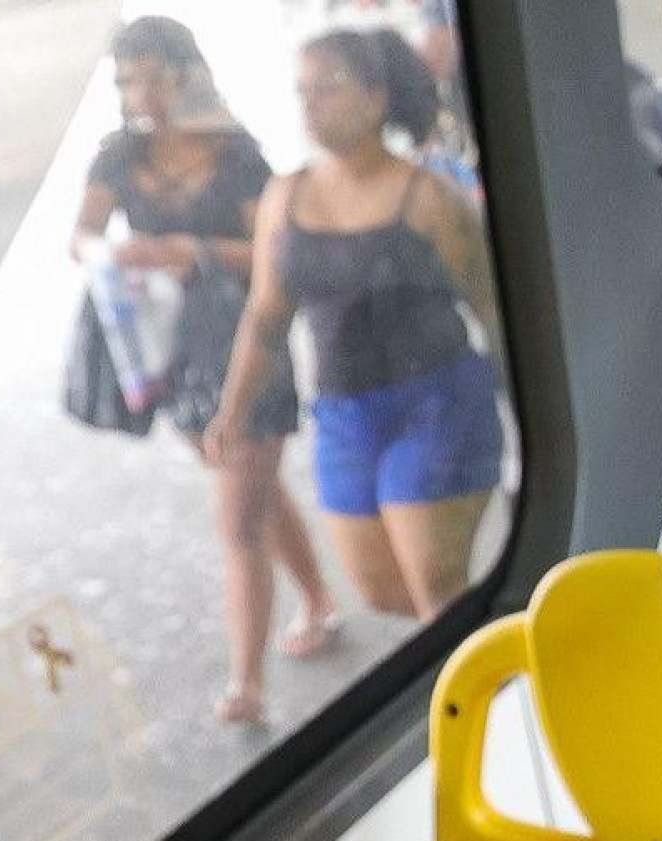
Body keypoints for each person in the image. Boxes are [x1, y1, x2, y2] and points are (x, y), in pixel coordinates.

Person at [73, 15, 339, 727]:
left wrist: (190, 250)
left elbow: (276, 258)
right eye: (129, 78)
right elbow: (82, 236)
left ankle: (246, 685)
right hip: (171, 352)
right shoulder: (118, 157)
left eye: (156, 76)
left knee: (236, 521)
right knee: (249, 489)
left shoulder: (236, 156)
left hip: (249, 346)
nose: (143, 93)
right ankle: (318, 599)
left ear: (186, 76)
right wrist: (112, 255)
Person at [209, 27, 500, 674]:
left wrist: (540, 411)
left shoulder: (428, 199)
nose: (310, 105)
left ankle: (485, 714)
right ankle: (498, 638)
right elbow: (265, 316)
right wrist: (233, 410)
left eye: (328, 88)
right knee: (382, 593)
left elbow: (492, 306)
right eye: (301, 92)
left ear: (375, 96)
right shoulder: (285, 197)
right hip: (342, 414)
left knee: (433, 588)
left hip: (439, 402)